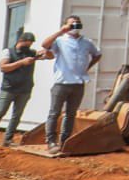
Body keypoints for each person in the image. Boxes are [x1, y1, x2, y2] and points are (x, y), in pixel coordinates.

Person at [38, 16, 101, 155]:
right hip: (62, 82)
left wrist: (87, 68)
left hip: (78, 83)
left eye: (77, 23)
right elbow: (45, 45)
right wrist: (60, 31)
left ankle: (65, 140)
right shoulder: (60, 41)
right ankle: (51, 141)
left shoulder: (87, 42)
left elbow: (97, 54)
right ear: (65, 25)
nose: (75, 26)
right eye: (71, 24)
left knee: (71, 114)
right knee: (54, 113)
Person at [0, 32, 41, 146]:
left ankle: (8, 139)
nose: (29, 46)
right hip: (9, 88)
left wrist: (45, 53)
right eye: (27, 43)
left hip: (25, 89)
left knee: (17, 115)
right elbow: (3, 67)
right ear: (21, 41)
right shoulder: (8, 52)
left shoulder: (31, 53)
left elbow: (48, 56)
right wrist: (21, 62)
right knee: (0, 112)